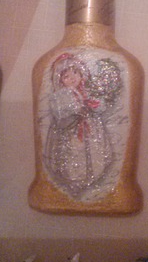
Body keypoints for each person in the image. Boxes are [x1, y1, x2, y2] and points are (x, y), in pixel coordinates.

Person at [44, 53, 113, 197]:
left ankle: (91, 176)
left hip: (89, 128)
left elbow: (97, 105)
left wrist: (92, 105)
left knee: (92, 151)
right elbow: (61, 114)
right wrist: (76, 110)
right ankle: (74, 181)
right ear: (60, 81)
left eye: (75, 73)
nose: (73, 78)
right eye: (66, 76)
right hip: (70, 131)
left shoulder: (84, 93)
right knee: (73, 154)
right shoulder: (60, 96)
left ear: (82, 74)